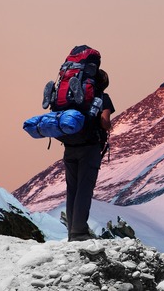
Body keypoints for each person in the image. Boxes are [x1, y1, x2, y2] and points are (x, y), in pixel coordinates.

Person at [63, 68, 115, 241]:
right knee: (84, 190)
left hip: (70, 146)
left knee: (72, 190)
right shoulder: (103, 98)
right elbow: (105, 121)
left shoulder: (74, 98)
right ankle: (79, 232)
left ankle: (72, 231)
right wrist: (108, 126)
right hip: (90, 148)